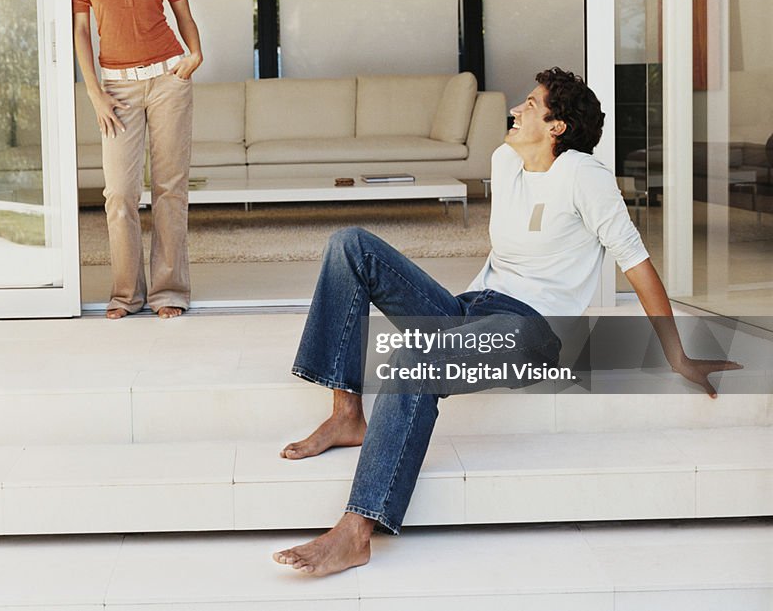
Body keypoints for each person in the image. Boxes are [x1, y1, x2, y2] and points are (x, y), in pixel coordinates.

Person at [272, 67, 742, 577]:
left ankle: (356, 531)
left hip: (530, 331)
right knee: (350, 245)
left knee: (413, 360)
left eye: (529, 104)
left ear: (557, 127)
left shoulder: (585, 176)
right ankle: (347, 415)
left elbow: (639, 266)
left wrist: (677, 356)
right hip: (471, 309)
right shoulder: (505, 160)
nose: (515, 110)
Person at [71, 0, 203, 319]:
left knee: (170, 188)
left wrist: (195, 52)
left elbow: (181, 9)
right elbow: (82, 31)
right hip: (117, 89)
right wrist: (95, 93)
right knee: (120, 193)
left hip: (168, 79)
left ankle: (169, 293)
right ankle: (126, 294)